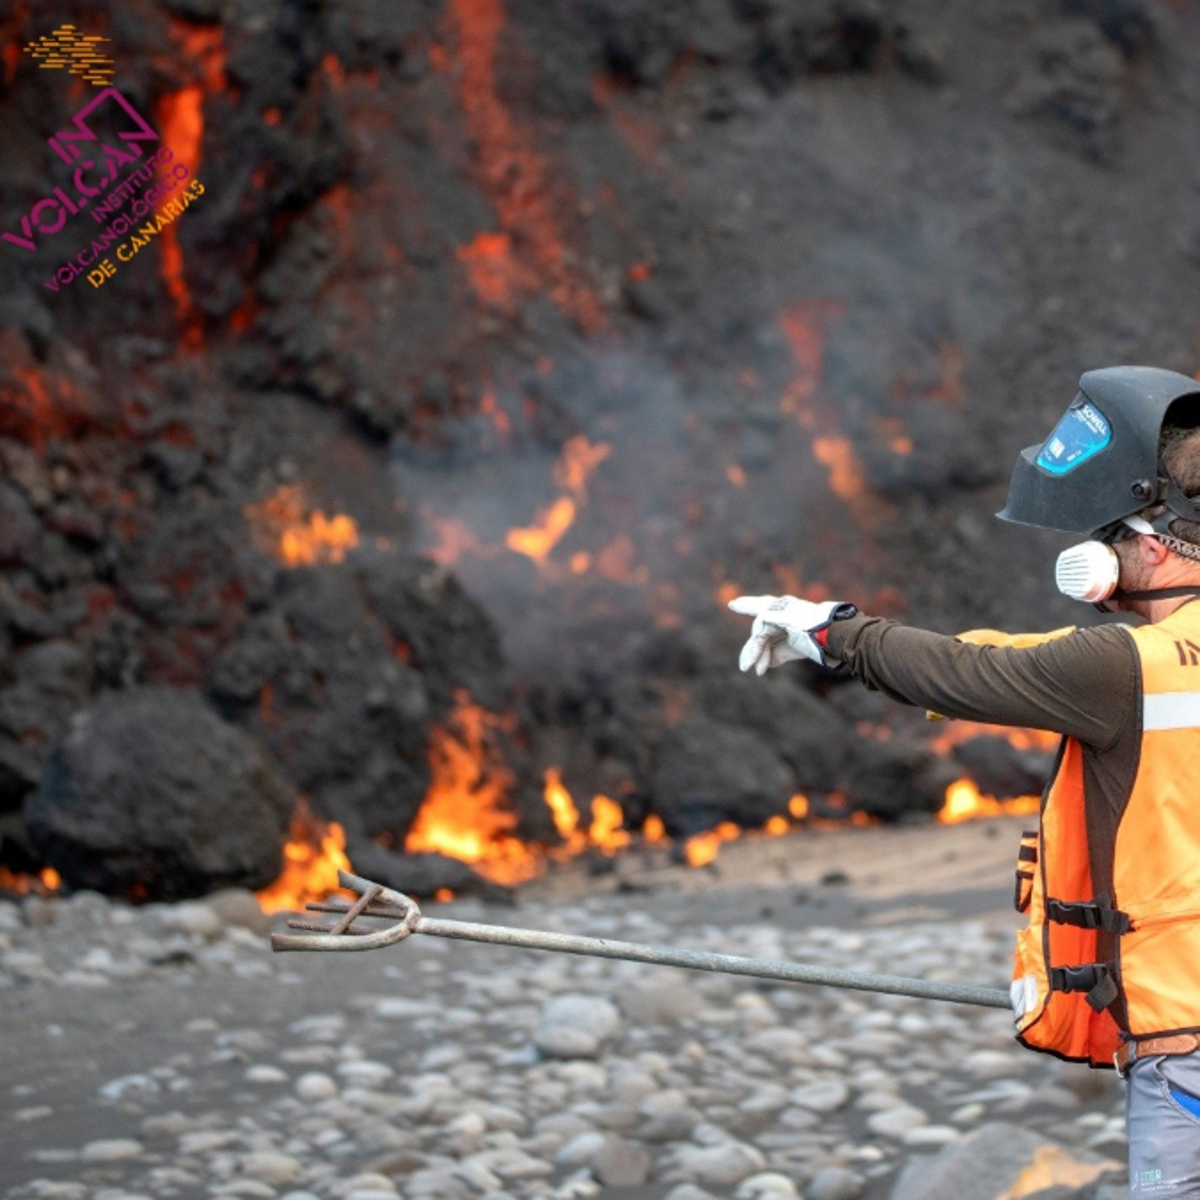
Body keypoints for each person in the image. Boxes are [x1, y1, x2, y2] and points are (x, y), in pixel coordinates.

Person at [728, 366, 1200, 1198]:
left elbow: (963, 673)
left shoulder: (1126, 663)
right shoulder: (1124, 664)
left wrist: (834, 632)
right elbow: (1020, 659)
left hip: (1184, 1032)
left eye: (1112, 537)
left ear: (1153, 545)